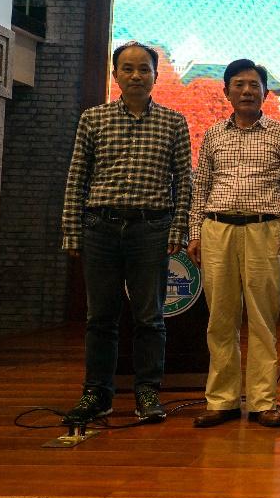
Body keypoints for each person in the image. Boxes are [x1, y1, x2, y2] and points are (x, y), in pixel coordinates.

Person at [60, 41, 192, 424]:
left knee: (150, 317)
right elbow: (77, 177)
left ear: (156, 75)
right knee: (100, 317)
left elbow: (183, 181)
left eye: (144, 69)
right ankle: (96, 394)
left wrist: (178, 228)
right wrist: (72, 232)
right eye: (128, 69)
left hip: (151, 228)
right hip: (100, 227)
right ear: (115, 74)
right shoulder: (93, 118)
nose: (136, 75)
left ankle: (148, 392)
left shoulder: (174, 122)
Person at [187, 59, 280, 429]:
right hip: (217, 229)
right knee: (220, 319)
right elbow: (201, 187)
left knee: (263, 320)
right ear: (227, 92)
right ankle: (222, 401)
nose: (247, 91)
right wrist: (195, 232)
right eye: (239, 84)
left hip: (264, 230)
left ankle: (264, 402)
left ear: (265, 92)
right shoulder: (213, 135)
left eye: (254, 85)